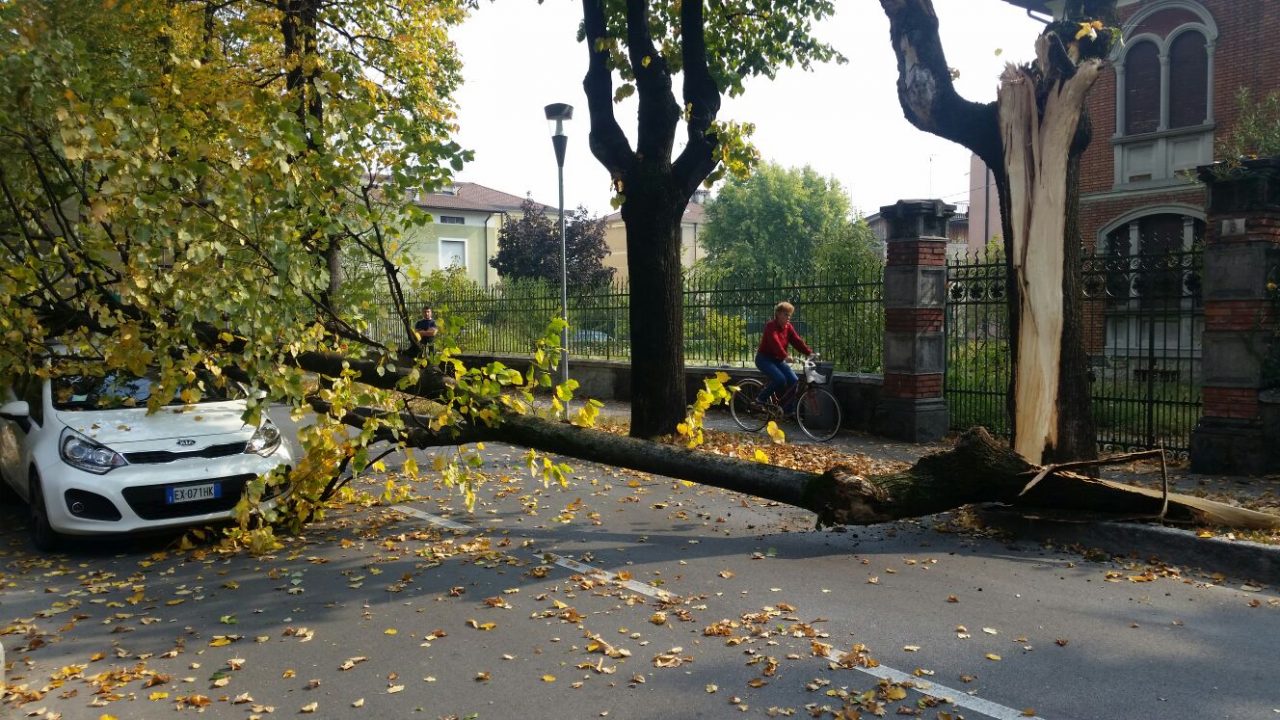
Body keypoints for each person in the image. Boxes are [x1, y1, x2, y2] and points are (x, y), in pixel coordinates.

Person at [754, 301, 812, 409]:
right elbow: (774, 342)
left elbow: (797, 341)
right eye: (786, 314)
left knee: (794, 381)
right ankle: (760, 399)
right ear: (778, 314)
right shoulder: (770, 326)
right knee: (780, 379)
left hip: (778, 360)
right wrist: (785, 355)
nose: (789, 317)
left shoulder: (788, 327)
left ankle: (787, 410)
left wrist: (810, 352)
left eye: (790, 315)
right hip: (764, 359)